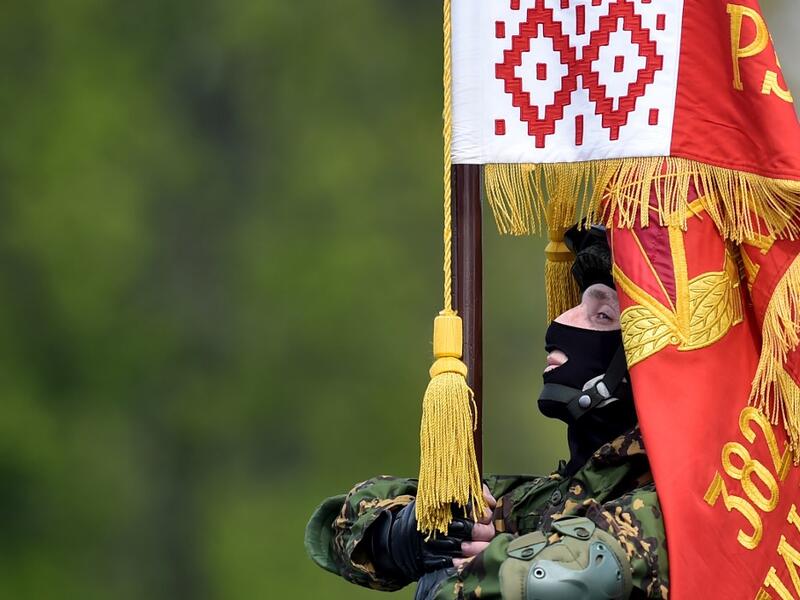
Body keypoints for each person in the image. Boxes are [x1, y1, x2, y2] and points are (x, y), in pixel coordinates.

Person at [305, 225, 668, 599]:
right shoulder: (536, 501)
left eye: (603, 315)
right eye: (578, 305)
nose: (559, 323)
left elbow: (578, 575)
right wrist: (411, 534)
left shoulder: (677, 505)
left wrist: (497, 561)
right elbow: (339, 525)